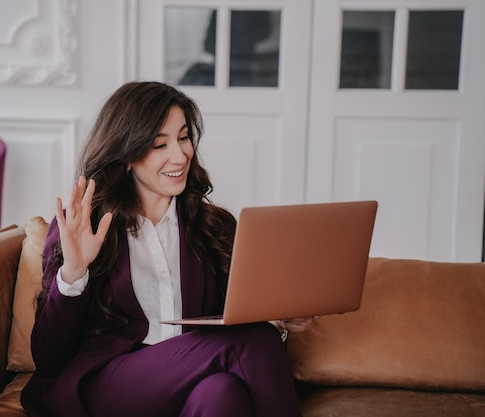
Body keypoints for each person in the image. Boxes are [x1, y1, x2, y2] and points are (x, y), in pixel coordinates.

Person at [21, 81, 316, 417]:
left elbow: (230, 323)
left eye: (184, 137)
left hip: (193, 376)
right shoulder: (82, 226)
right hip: (111, 382)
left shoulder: (215, 228)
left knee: (222, 393)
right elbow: (48, 357)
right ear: (126, 156)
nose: (180, 155)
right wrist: (74, 274)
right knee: (257, 340)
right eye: (160, 144)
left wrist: (279, 319)